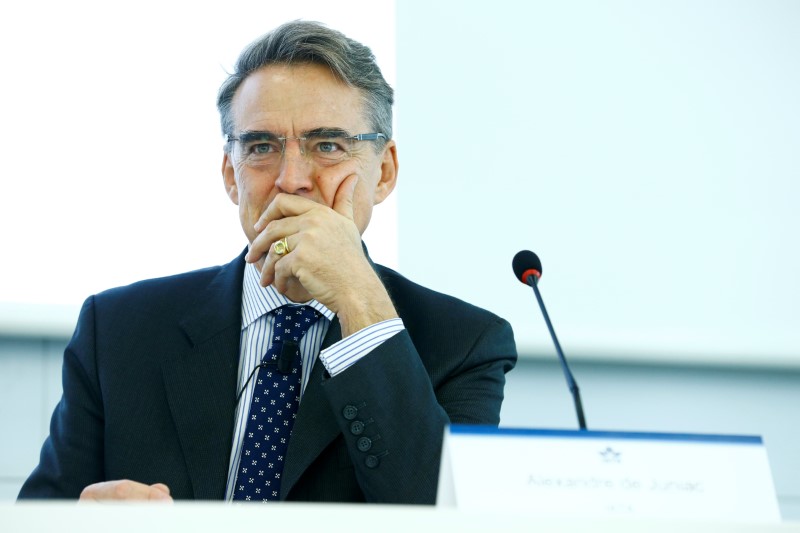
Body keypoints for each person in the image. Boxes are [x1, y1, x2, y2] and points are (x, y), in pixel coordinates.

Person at [18, 20, 517, 504]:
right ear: (230, 176)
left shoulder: (464, 345)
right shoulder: (118, 331)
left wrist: (357, 298)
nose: (291, 178)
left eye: (327, 145)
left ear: (384, 173)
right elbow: (39, 516)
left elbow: (445, 515)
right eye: (261, 147)